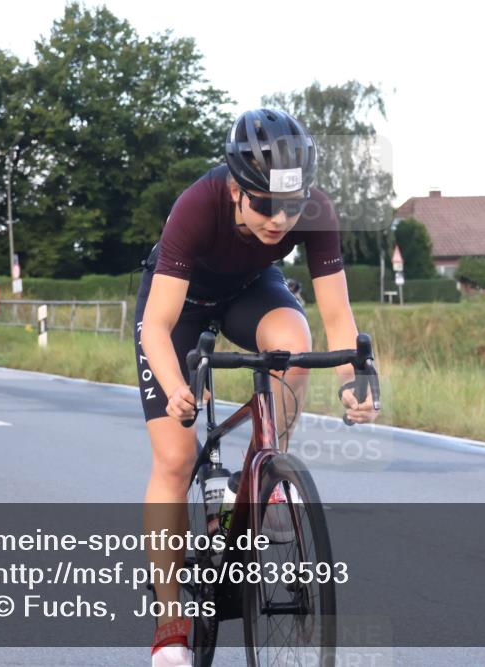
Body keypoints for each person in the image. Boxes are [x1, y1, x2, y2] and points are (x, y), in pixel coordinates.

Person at [135, 108, 380, 666]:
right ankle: (171, 623)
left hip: (249, 290)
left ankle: (266, 472)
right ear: (235, 189)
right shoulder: (198, 207)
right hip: (181, 309)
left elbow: (339, 318)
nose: (280, 221)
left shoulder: (313, 212)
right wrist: (176, 387)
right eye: (266, 205)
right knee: (175, 456)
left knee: (294, 343)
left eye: (291, 207)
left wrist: (351, 381)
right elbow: (156, 325)